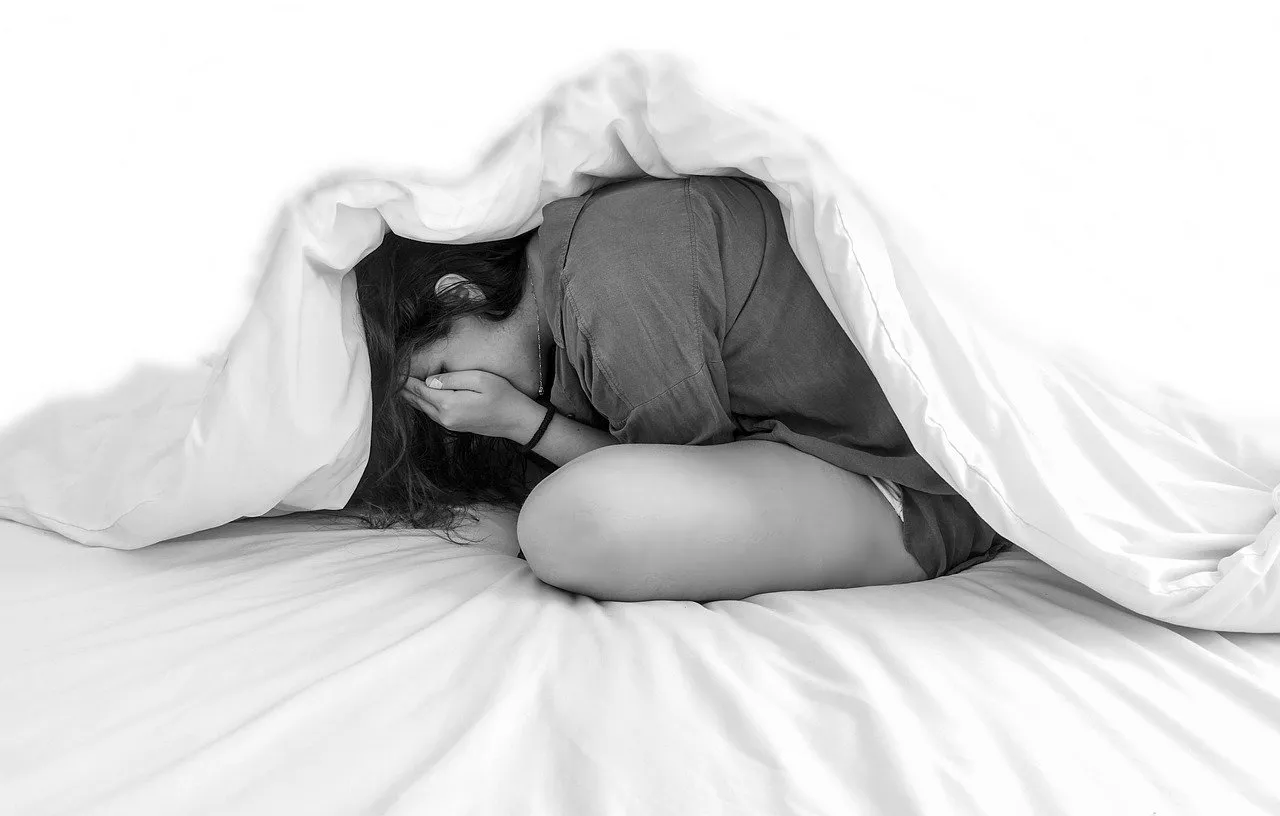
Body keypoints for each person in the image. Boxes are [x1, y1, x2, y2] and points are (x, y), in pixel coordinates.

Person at [345, 175, 1009, 602]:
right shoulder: (578, 253)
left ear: (458, 294)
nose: (449, 399)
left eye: (436, 370)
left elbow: (678, 472)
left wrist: (525, 424)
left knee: (569, 524)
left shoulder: (606, 282)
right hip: (873, 443)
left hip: (924, 477)